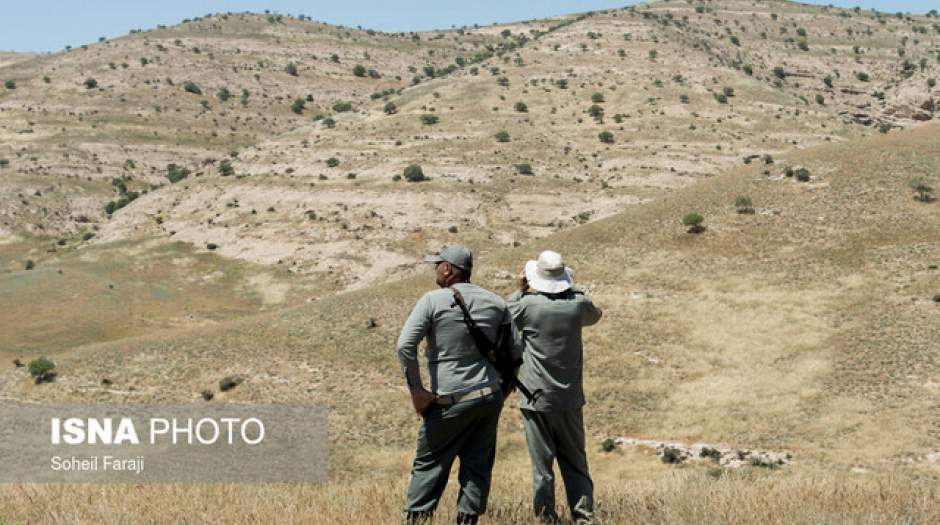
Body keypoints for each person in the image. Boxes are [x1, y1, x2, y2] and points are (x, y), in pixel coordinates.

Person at [397, 244, 520, 525]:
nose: (435, 269)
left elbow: (405, 345)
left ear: (448, 269)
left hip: (450, 399)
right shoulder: (496, 302)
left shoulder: (433, 300)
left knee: (429, 465)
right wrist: (500, 393)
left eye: (437, 264)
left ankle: (417, 519)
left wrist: (417, 390)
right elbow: (515, 354)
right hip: (488, 396)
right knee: (477, 467)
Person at [507, 250, 603, 524]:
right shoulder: (577, 305)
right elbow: (595, 313)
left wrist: (520, 290)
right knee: (575, 462)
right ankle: (583, 516)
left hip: (535, 397)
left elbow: (503, 315)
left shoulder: (527, 306)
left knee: (542, 466)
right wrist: (572, 287)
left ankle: (546, 517)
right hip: (570, 397)